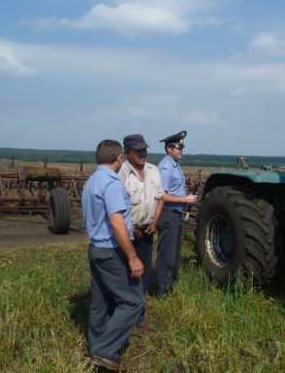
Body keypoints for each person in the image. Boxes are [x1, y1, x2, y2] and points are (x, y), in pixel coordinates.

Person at [82, 139, 144, 372]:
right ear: (119, 158)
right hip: (110, 251)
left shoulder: (91, 182)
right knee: (132, 301)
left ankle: (96, 349)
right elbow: (117, 223)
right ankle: (105, 351)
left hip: (95, 248)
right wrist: (132, 257)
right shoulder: (112, 183)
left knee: (101, 303)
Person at [118, 134, 165, 328]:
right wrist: (131, 229)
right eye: (138, 150)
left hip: (147, 231)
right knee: (124, 273)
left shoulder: (153, 171)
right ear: (127, 153)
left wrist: (155, 222)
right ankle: (121, 314)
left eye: (144, 149)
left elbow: (160, 198)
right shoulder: (121, 173)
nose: (143, 153)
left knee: (143, 274)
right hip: (128, 233)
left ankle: (139, 315)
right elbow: (117, 207)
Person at [156, 130, 198, 295]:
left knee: (174, 255)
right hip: (168, 214)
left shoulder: (175, 166)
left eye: (182, 147)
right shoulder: (166, 168)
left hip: (175, 215)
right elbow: (162, 196)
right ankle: (162, 291)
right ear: (168, 149)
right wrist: (185, 200)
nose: (181, 150)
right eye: (177, 147)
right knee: (166, 255)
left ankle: (170, 287)